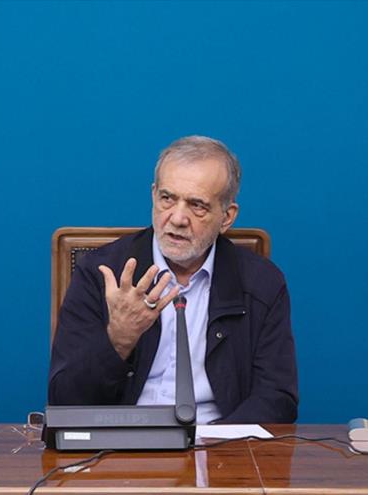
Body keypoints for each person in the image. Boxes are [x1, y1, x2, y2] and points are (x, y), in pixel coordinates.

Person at [48, 136, 298, 423]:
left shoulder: (261, 283)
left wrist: (214, 447)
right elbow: (64, 400)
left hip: (219, 448)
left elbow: (277, 399)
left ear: (227, 217)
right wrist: (119, 339)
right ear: (154, 196)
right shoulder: (102, 273)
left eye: (197, 205)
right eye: (168, 198)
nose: (177, 218)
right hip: (121, 445)